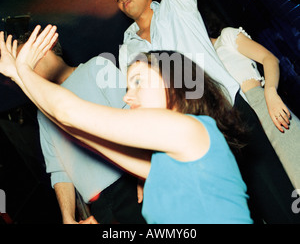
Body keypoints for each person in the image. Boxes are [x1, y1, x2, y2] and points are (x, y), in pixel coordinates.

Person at [109, 0, 300, 223]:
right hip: (182, 130)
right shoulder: (126, 49)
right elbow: (135, 103)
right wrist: (143, 164)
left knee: (272, 192)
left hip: (225, 109)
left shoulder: (177, 6)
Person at [0, 26, 253, 224]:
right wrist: (18, 75)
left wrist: (22, 71)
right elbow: (78, 133)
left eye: (138, 82)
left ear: (172, 80)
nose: (126, 96)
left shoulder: (191, 130)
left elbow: (68, 113)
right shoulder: (158, 167)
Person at [15, 26, 146, 224]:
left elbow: (134, 114)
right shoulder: (43, 111)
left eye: (24, 58)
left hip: (132, 185)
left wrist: (143, 172)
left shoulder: (96, 67)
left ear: (46, 47)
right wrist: (68, 217)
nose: (21, 68)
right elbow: (59, 170)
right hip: (101, 209)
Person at [202, 10, 300, 191]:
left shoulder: (226, 37)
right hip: (243, 132)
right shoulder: (200, 70)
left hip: (267, 110)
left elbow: (269, 58)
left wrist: (270, 93)